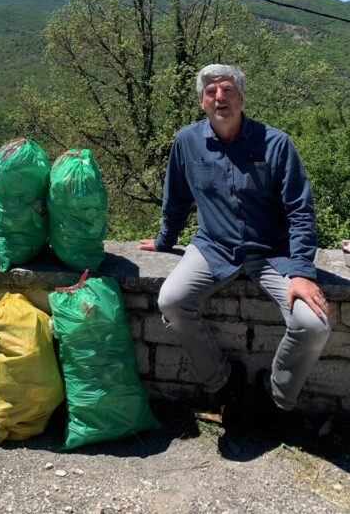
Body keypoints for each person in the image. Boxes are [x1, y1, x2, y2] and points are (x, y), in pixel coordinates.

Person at [139, 64, 330, 431]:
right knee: (171, 302)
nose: (219, 97)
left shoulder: (276, 144)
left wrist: (303, 272)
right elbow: (176, 198)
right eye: (211, 92)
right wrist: (165, 241)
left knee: (314, 324)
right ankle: (224, 383)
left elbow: (300, 212)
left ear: (241, 97)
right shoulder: (187, 141)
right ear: (201, 101)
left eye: (227, 90)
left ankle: (275, 397)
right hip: (214, 247)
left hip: (273, 251)